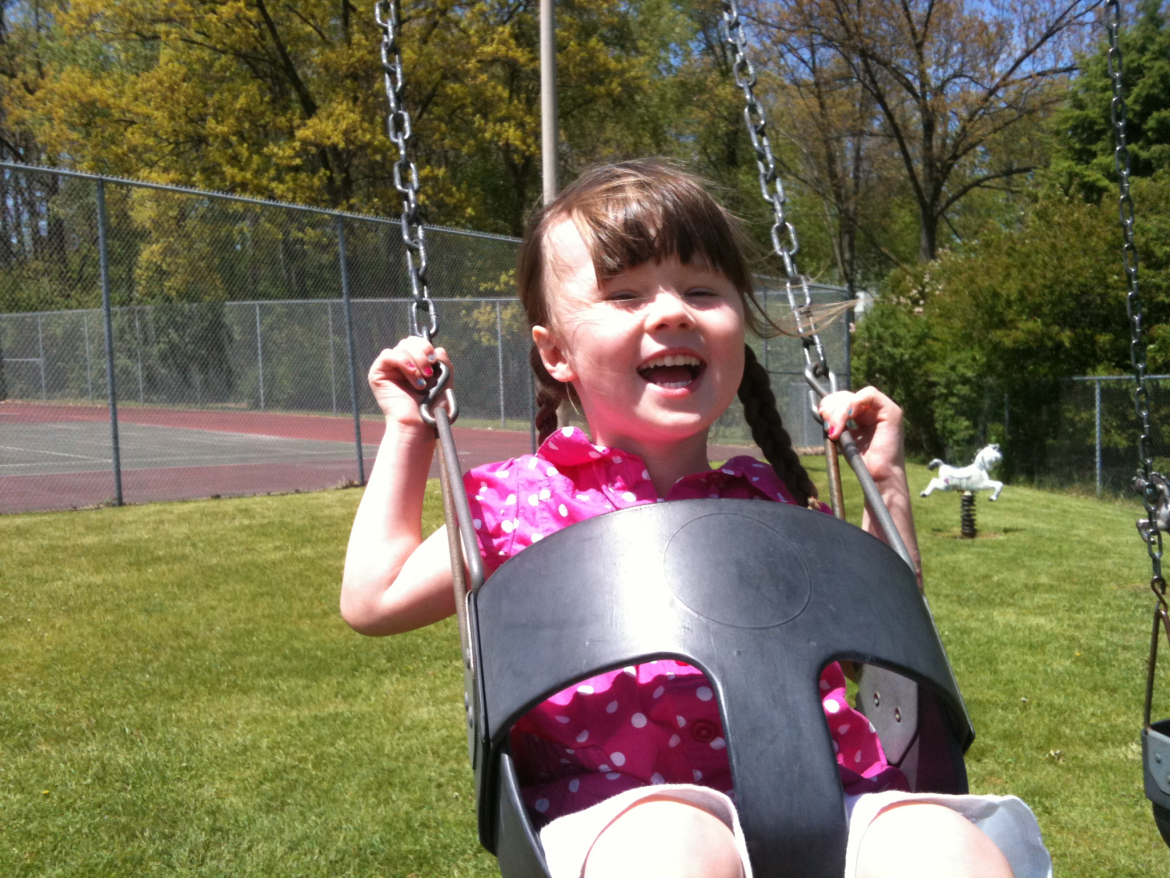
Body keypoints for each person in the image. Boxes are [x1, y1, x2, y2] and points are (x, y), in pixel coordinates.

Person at [341, 161, 1051, 878]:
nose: (673, 312)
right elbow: (375, 598)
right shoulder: (517, 503)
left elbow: (883, 634)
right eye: (625, 295)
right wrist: (410, 431)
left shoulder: (764, 499)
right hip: (618, 813)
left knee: (948, 850)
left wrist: (883, 481)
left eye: (703, 289)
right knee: (678, 852)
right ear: (555, 353)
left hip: (825, 792)